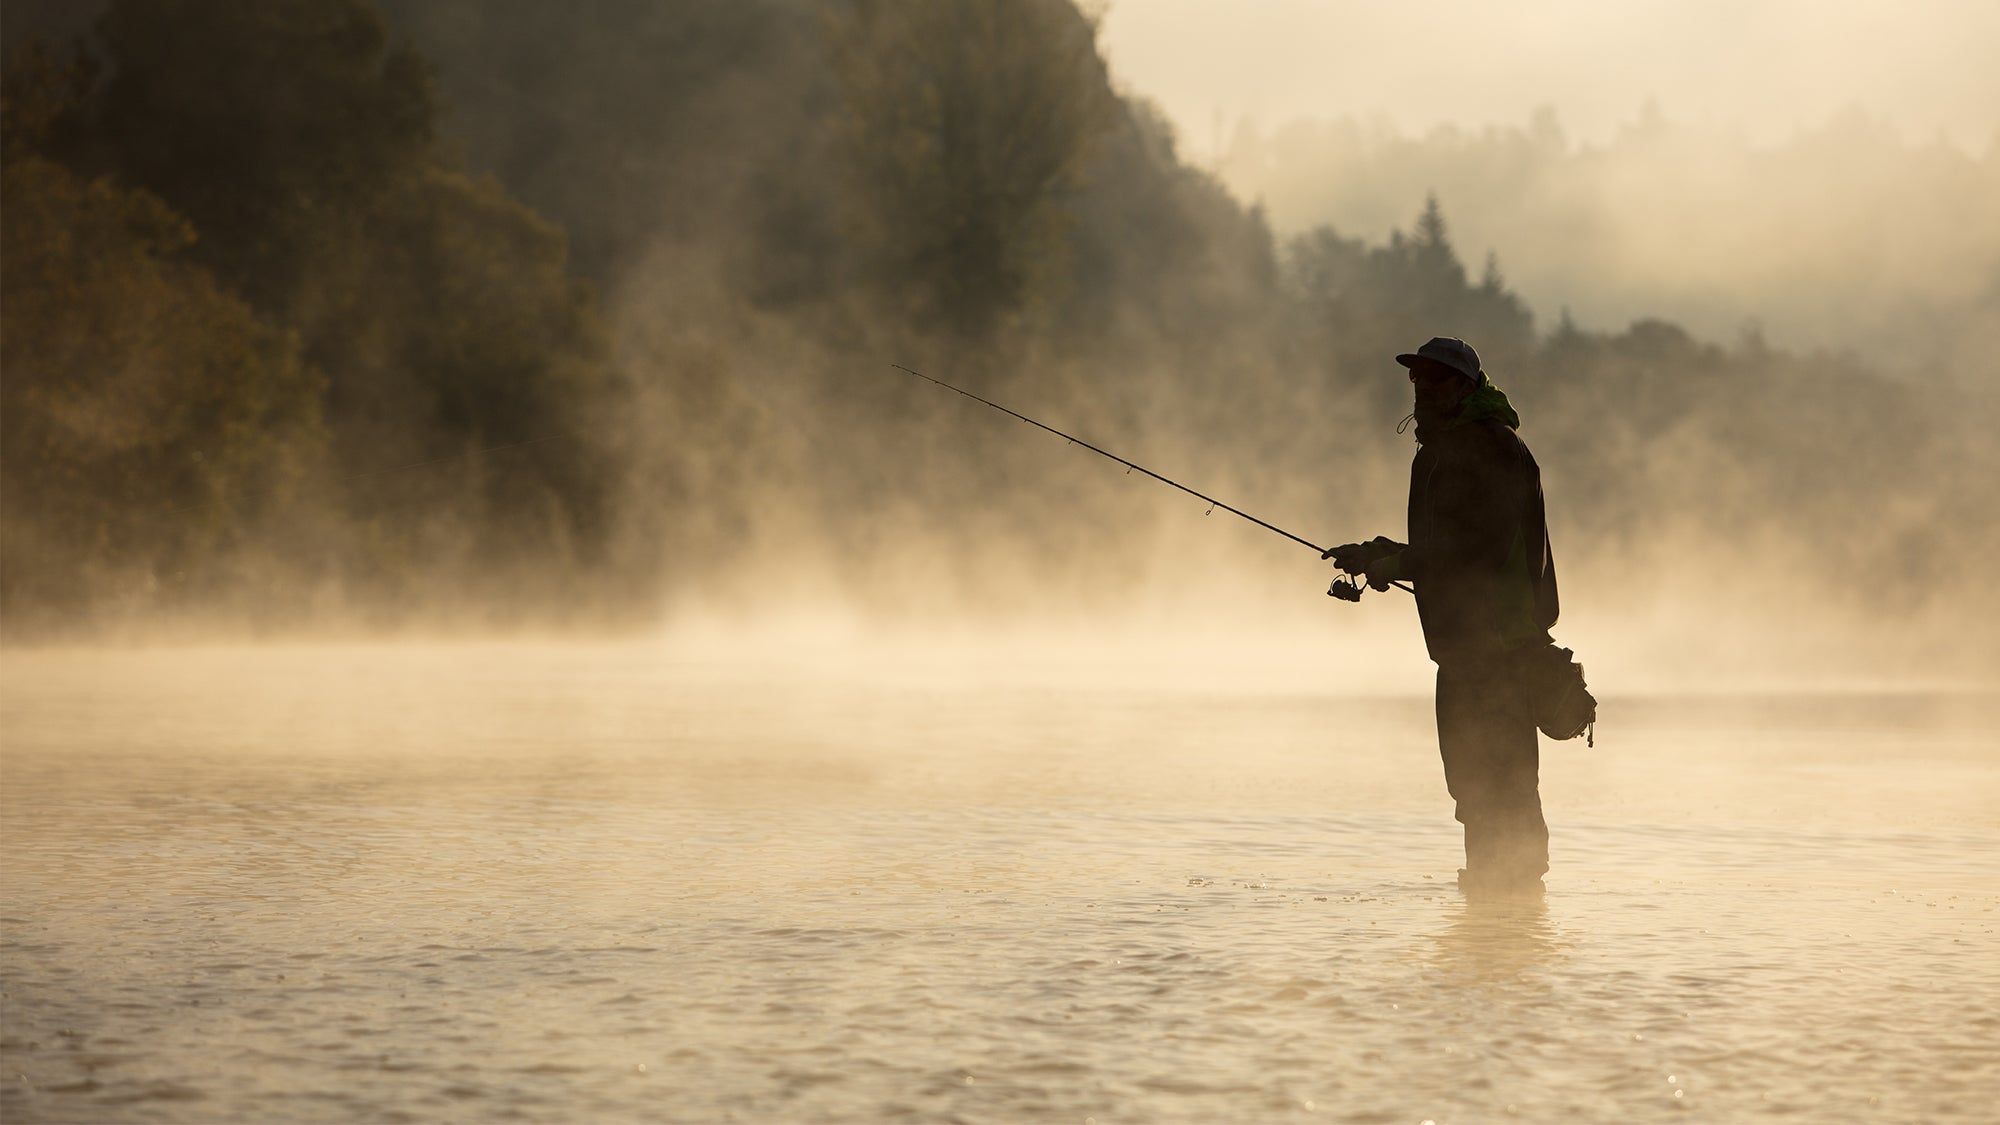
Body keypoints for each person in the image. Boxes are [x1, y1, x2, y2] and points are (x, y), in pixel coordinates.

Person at [1327, 336, 1560, 896]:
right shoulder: (1448, 449)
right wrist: (1379, 554)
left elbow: (1476, 548)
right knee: (1473, 780)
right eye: (1416, 379)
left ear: (1465, 387)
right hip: (1462, 646)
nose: (1423, 389)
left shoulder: (1490, 449)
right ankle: (1494, 907)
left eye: (1436, 380)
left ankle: (1512, 898)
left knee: (1499, 779)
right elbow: (1443, 545)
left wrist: (1398, 561)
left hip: (1499, 644)